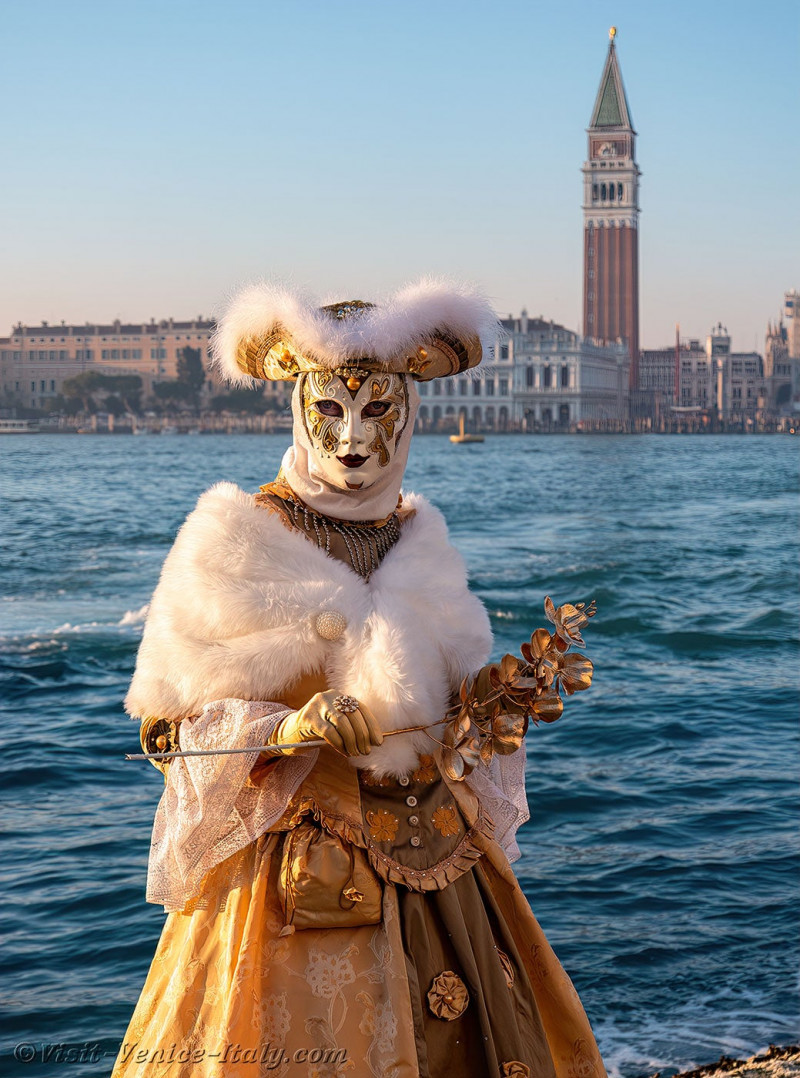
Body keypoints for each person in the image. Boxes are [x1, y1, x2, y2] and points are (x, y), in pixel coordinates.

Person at [113, 280, 606, 1078]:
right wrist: (287, 728)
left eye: (376, 411)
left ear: (409, 413)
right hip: (292, 887)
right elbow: (165, 735)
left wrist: (494, 705)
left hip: (440, 867)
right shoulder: (232, 539)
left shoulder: (423, 541)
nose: (350, 440)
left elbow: (452, 718)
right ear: (298, 410)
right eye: (329, 412)